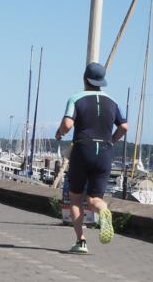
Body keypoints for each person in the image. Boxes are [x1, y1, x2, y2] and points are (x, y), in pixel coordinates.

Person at [54, 62, 127, 254]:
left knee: (76, 198)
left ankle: (81, 242)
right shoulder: (113, 102)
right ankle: (103, 211)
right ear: (102, 81)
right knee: (95, 199)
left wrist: (59, 133)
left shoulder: (76, 98)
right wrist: (112, 140)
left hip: (83, 149)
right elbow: (124, 126)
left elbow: (68, 124)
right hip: (104, 151)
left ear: (84, 78)